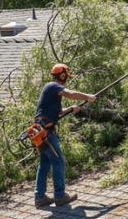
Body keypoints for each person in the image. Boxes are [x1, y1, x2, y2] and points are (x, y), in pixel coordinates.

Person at [33, 64, 96, 207]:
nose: (66, 78)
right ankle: (60, 196)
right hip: (46, 132)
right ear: (62, 75)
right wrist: (87, 96)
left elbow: (59, 112)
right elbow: (70, 93)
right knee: (58, 162)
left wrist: (72, 109)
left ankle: (40, 197)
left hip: (41, 131)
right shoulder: (52, 86)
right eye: (66, 75)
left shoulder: (53, 91)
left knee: (45, 163)